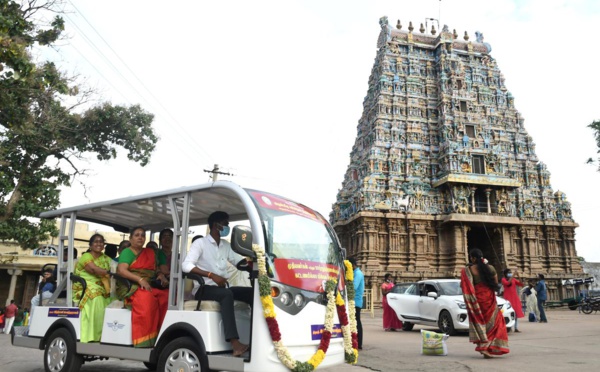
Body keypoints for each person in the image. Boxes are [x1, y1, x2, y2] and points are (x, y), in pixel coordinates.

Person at [182, 211, 253, 357]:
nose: (228, 226)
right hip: (203, 288)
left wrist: (256, 265)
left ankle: (255, 335)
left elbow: (239, 261)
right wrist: (211, 275)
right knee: (227, 294)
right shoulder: (200, 243)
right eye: (226, 223)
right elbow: (186, 265)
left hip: (221, 288)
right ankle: (235, 344)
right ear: (216, 225)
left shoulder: (225, 245)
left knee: (251, 293)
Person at [117, 226, 170, 347]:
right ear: (130, 239)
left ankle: (162, 338)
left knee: (166, 296)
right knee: (147, 299)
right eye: (137, 235)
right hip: (132, 286)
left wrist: (160, 275)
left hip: (149, 284)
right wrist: (140, 280)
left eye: (142, 235)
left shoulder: (150, 252)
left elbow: (155, 269)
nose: (140, 237)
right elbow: (121, 271)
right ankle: (144, 341)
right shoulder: (127, 252)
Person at [460, 248, 509, 358]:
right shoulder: (490, 268)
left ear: (472, 258)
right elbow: (495, 283)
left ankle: (484, 346)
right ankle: (488, 347)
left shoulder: (468, 270)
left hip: (477, 300)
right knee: (495, 323)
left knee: (480, 323)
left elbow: (465, 286)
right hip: (489, 299)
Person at [73, 233, 113, 342]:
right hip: (85, 286)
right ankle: (93, 336)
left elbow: (116, 268)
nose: (99, 244)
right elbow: (93, 270)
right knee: (97, 299)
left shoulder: (106, 259)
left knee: (114, 300)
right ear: (90, 245)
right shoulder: (87, 256)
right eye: (96, 241)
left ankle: (108, 336)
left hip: (104, 286)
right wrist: (109, 273)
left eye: (101, 242)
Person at [348, 257, 364, 350]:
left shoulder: (358, 274)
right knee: (353, 322)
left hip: (356, 301)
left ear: (353, 265)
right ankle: (354, 341)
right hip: (353, 301)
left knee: (357, 322)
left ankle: (359, 342)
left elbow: (353, 287)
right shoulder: (354, 273)